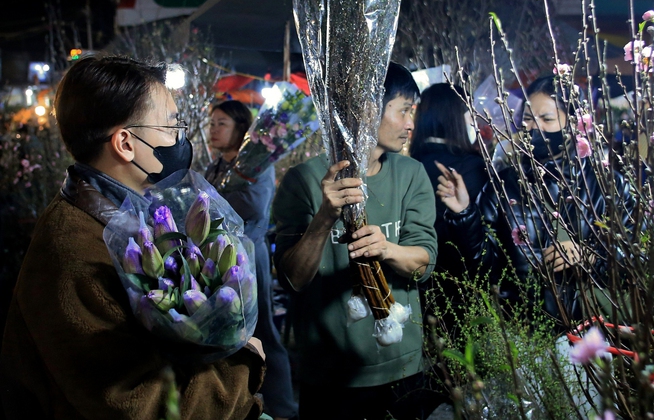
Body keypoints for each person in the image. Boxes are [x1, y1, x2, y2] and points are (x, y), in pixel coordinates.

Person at [0, 55, 266, 419]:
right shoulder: (76, 249)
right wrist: (239, 367)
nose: (181, 139)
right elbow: (141, 406)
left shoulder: (131, 215)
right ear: (125, 143)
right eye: (172, 127)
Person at [272, 62, 441, 420]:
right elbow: (292, 279)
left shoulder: (411, 175)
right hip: (330, 374)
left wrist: (387, 248)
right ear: (367, 108)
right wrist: (324, 218)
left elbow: (424, 262)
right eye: (404, 110)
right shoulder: (304, 181)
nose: (411, 123)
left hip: (402, 367)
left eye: (413, 112)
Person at [436, 74, 635, 327]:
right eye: (528, 119)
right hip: (528, 333)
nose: (533, 128)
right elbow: (483, 265)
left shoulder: (609, 186)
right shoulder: (506, 184)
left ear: (574, 123)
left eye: (547, 119)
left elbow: (637, 261)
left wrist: (592, 257)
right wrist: (464, 214)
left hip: (598, 331)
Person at [204, 99, 298, 420]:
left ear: (242, 128)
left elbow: (254, 209)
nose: (213, 130)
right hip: (218, 257)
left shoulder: (258, 164)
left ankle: (283, 406)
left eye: (221, 123)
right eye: (212, 123)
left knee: (263, 333)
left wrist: (215, 199)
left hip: (248, 258)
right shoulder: (216, 166)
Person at [408, 83, 487, 334]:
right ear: (455, 117)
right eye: (470, 113)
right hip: (462, 293)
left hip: (417, 291)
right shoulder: (469, 167)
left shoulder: (407, 167)